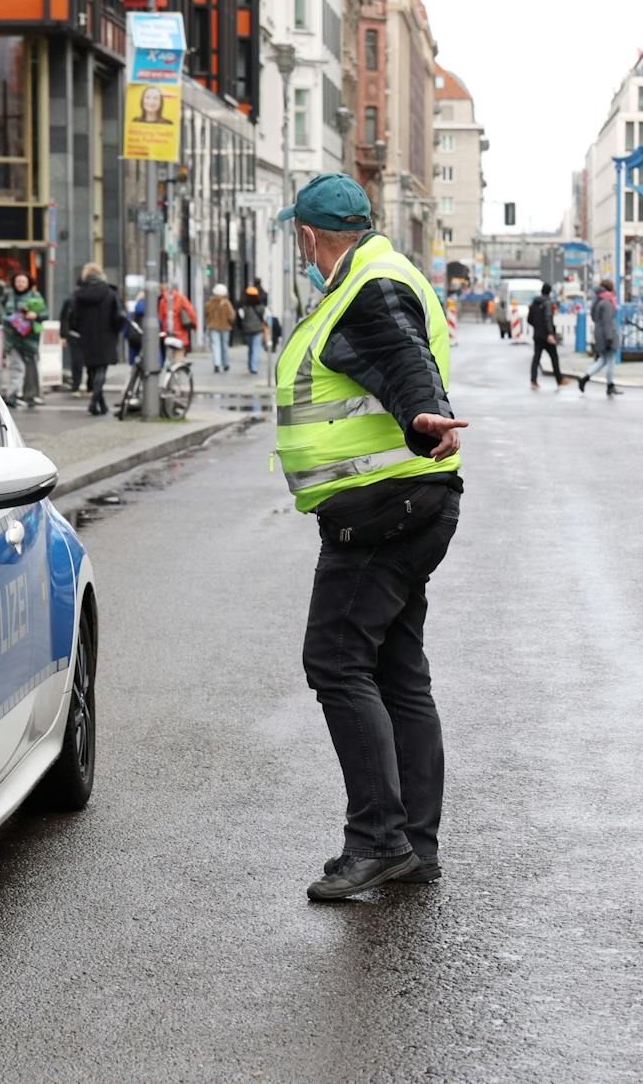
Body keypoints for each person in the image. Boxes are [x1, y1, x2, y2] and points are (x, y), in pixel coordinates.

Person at [271, 171, 467, 901]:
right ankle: (413, 843)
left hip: (382, 510)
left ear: (311, 236)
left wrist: (424, 414)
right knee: (397, 670)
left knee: (336, 660)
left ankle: (379, 840)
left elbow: (404, 358)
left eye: (301, 238)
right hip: (406, 504)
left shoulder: (368, 286)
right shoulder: (372, 274)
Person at [72, 263, 124, 415]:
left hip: (87, 335)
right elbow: (119, 316)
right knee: (102, 368)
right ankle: (94, 401)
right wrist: (116, 330)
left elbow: (74, 316)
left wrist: (79, 330)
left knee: (93, 369)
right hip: (107, 335)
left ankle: (101, 405)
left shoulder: (80, 294)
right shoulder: (110, 292)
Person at [1, 272, 46, 408]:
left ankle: (30, 395)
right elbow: (1, 311)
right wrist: (7, 319)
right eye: (18, 281)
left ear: (29, 283)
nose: (20, 284)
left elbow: (45, 313)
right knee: (16, 366)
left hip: (30, 337)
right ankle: (13, 395)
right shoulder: (8, 295)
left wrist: (36, 315)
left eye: (23, 281)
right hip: (13, 337)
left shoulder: (35, 296)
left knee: (31, 366)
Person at [576, 279, 621, 396]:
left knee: (602, 360)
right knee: (610, 361)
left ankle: (585, 378)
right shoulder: (607, 302)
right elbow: (607, 321)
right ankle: (610, 385)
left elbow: (595, 318)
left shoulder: (598, 300)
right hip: (607, 334)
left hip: (599, 333)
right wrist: (610, 338)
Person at [528, 281, 565, 388]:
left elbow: (529, 319)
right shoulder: (548, 302)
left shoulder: (534, 302)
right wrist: (550, 334)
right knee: (554, 357)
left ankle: (533, 381)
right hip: (547, 336)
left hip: (537, 335)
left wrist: (537, 327)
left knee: (536, 358)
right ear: (550, 292)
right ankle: (559, 379)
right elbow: (548, 319)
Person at [159, 283, 198, 360]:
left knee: (169, 355)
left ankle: (170, 369)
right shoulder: (181, 298)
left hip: (167, 333)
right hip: (180, 332)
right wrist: (195, 325)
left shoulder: (163, 301)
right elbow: (191, 313)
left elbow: (160, 317)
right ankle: (177, 370)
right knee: (179, 355)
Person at [236, 285, 269, 375]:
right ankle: (253, 367)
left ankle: (251, 365)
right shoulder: (261, 307)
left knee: (250, 349)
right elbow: (266, 317)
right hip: (258, 330)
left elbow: (240, 318)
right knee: (255, 349)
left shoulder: (244, 307)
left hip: (247, 330)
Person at [203, 284, 236, 373]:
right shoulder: (226, 303)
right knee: (224, 346)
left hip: (213, 327)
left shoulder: (209, 303)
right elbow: (232, 316)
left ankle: (217, 364)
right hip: (225, 327)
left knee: (215, 345)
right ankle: (225, 364)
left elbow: (206, 314)